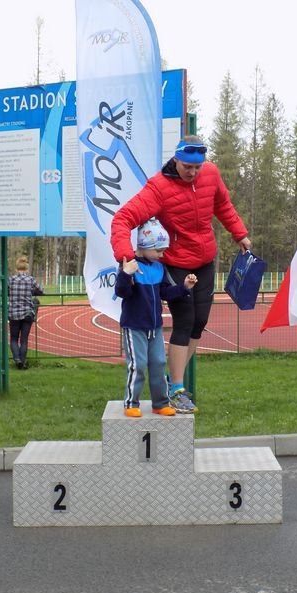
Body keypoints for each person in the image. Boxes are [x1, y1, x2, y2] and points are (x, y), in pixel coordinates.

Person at [110, 135, 251, 413]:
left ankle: (169, 381)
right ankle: (176, 389)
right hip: (176, 262)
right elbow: (122, 219)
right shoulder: (159, 187)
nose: (193, 172)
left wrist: (240, 234)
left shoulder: (211, 174)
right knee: (185, 321)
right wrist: (126, 257)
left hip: (205, 261)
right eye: (187, 167)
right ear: (176, 160)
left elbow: (223, 205)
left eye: (197, 167)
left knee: (199, 322)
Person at [115, 218, 198, 417]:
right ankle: (131, 403)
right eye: (159, 250)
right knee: (137, 365)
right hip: (134, 327)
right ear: (145, 246)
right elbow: (121, 292)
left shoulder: (159, 268)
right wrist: (126, 274)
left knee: (159, 363)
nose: (162, 254)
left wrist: (184, 287)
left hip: (155, 327)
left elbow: (165, 292)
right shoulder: (130, 266)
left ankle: (160, 403)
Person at [8, 256, 44, 370]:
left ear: (16, 268)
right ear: (27, 268)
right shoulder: (30, 279)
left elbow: (5, 291)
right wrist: (31, 291)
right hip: (27, 313)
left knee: (14, 339)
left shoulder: (11, 279)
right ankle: (22, 363)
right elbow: (41, 291)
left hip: (14, 313)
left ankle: (17, 359)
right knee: (24, 340)